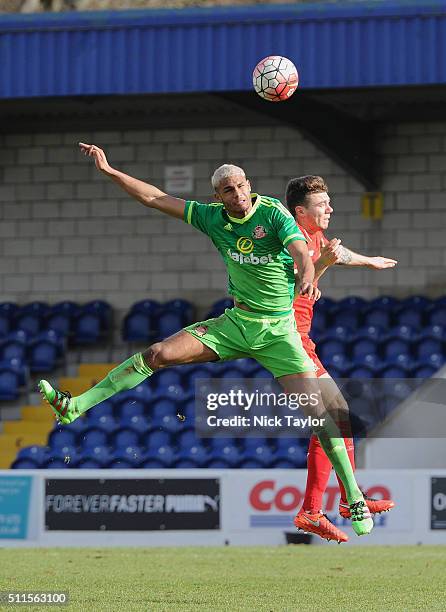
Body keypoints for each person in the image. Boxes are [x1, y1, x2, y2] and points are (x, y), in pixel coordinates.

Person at [39, 143, 373, 537]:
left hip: (279, 333)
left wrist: (305, 272)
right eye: (229, 190)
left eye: (242, 186)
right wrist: (110, 171)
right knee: (158, 353)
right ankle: (74, 407)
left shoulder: (272, 213)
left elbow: (300, 249)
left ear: (250, 185)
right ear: (218, 196)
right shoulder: (211, 217)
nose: (238, 194)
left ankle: (354, 498)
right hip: (236, 323)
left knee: (324, 415)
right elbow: (154, 197)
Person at [286, 175, 396, 543]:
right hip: (285, 341)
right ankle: (331, 505)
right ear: (301, 211)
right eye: (322, 204)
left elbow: (336, 253)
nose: (330, 208)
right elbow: (288, 291)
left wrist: (368, 261)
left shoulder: (313, 238)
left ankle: (323, 507)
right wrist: (326, 266)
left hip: (302, 340)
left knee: (333, 421)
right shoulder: (288, 243)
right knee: (335, 419)